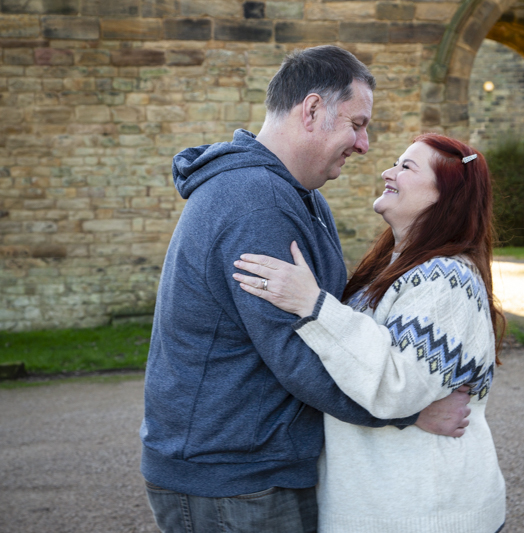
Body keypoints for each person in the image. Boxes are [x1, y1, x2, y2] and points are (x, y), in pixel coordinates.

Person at [139, 46, 471, 533]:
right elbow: (299, 354)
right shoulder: (255, 203)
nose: (364, 144)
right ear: (312, 110)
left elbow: (330, 323)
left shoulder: (300, 196)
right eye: (357, 124)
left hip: (256, 467)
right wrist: (411, 413)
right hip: (232, 478)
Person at [233, 133, 507, 532]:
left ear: (443, 196)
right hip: (387, 508)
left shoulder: (447, 279)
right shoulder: (393, 269)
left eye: (406, 167)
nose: (387, 171)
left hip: (426, 513)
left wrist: (314, 305)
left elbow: (397, 387)